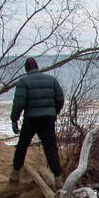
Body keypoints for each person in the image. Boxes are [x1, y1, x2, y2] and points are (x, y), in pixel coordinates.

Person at [9, 57, 65, 189]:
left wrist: (14, 119)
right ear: (37, 67)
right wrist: (54, 112)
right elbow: (60, 99)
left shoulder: (23, 81)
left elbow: (19, 103)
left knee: (22, 146)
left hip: (31, 119)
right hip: (48, 119)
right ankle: (58, 179)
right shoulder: (51, 80)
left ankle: (15, 173)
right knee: (51, 149)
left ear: (26, 69)